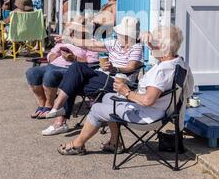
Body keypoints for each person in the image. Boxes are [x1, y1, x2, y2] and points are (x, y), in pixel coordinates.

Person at [57, 25, 194, 155]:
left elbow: (148, 100)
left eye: (154, 44)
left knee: (97, 108)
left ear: (163, 48)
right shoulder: (179, 63)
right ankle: (114, 143)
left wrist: (126, 91)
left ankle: (77, 144)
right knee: (106, 97)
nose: (150, 47)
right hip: (163, 110)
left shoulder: (161, 72)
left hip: (147, 116)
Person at [41, 16, 144, 136]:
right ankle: (58, 112)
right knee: (75, 72)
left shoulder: (136, 48)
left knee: (73, 78)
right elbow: (89, 44)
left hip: (117, 82)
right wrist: (66, 39)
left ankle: (58, 116)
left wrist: (115, 68)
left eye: (120, 33)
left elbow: (131, 67)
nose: (118, 35)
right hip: (103, 76)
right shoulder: (115, 43)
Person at [26, 18, 99, 119]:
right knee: (32, 72)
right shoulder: (65, 39)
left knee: (50, 75)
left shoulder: (91, 42)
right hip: (53, 65)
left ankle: (49, 106)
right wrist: (54, 56)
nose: (72, 32)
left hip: (71, 70)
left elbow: (92, 62)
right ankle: (41, 104)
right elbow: (51, 54)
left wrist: (74, 58)